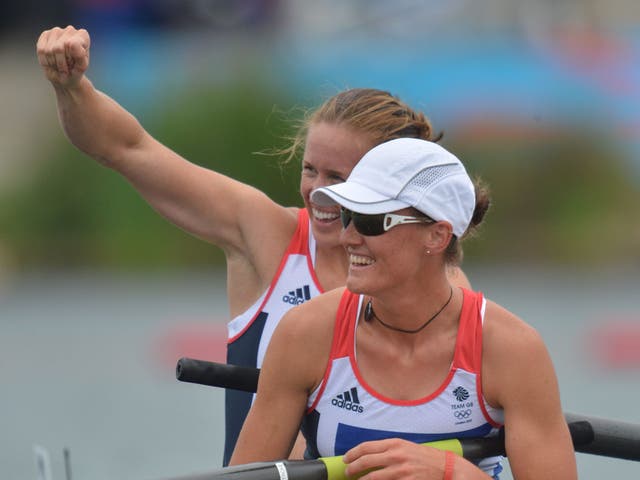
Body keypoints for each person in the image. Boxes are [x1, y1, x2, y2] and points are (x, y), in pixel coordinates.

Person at [36, 26, 472, 465]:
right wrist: (71, 86)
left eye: (338, 179)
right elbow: (127, 148)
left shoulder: (444, 282)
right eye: (310, 171)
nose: (317, 193)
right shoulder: (267, 234)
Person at [230, 138, 578, 479]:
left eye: (370, 222)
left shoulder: (512, 351)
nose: (348, 237)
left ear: (437, 236)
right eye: (348, 216)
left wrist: (450, 472)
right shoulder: (306, 332)